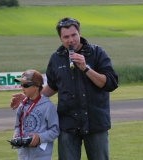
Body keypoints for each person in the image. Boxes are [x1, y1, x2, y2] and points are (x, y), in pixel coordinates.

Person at [10, 17, 118, 160]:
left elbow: (110, 83)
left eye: (73, 35)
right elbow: (53, 87)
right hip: (68, 125)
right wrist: (29, 96)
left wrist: (86, 68)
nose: (71, 40)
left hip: (95, 122)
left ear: (79, 33)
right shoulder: (56, 58)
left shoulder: (96, 52)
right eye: (66, 37)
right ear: (60, 38)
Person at [12, 69, 60, 160]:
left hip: (41, 155)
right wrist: (16, 135)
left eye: (26, 85)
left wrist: (39, 137)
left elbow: (55, 130)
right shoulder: (22, 105)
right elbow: (18, 126)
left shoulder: (47, 106)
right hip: (23, 154)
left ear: (37, 86)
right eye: (21, 84)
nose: (22, 88)